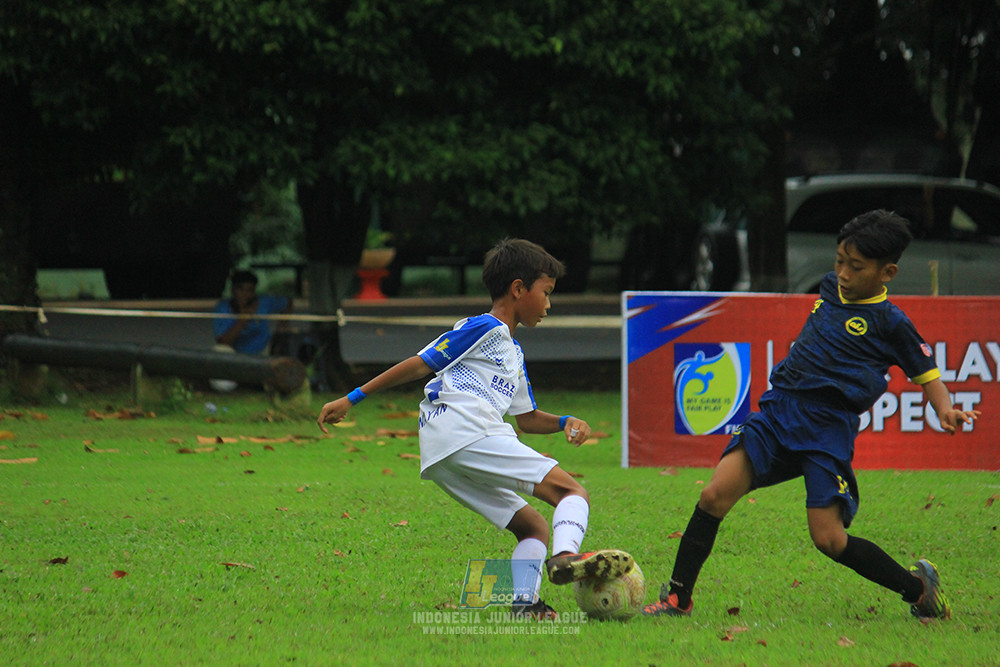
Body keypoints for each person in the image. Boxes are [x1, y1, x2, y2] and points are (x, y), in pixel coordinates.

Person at [643, 210, 981, 620]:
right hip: (779, 411)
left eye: (855, 266)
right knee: (713, 494)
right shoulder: (829, 288)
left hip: (826, 431)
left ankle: (918, 588)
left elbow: (928, 374)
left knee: (830, 540)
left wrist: (945, 409)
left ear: (886, 272)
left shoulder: (892, 323)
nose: (842, 272)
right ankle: (677, 598)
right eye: (839, 260)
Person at [317, 238, 632, 619]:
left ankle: (525, 605)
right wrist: (352, 397)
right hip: (467, 430)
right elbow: (420, 363)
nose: (548, 305)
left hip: (443, 452)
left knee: (532, 526)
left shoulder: (512, 353)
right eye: (545, 293)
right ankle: (566, 559)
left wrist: (566, 421)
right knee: (571, 492)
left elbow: (528, 419)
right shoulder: (486, 328)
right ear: (518, 289)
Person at [213, 269, 293, 355]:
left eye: (249, 290)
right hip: (236, 352)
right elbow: (223, 341)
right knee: (219, 349)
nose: (245, 294)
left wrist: (282, 326)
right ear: (233, 290)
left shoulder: (263, 302)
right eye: (241, 290)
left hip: (263, 350)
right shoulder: (223, 308)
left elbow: (288, 302)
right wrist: (243, 320)